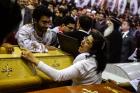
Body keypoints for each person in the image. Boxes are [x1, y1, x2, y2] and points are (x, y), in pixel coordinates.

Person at [21, 31, 107, 85]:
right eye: (85, 38)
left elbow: (58, 76)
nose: (82, 41)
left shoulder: (85, 64)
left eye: (87, 42)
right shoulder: (97, 60)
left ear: (94, 50)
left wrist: (34, 60)